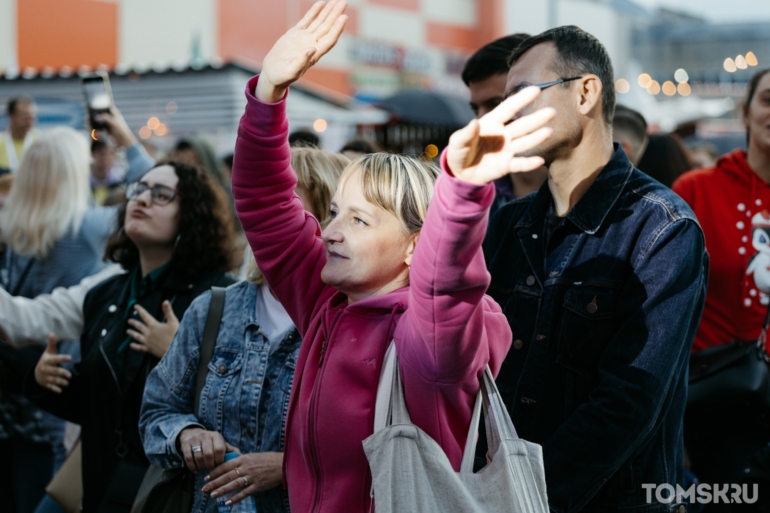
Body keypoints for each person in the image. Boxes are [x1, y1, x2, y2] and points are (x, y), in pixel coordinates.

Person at [230, 2, 553, 511]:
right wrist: (268, 94)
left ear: (414, 245)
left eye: (359, 220)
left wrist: (462, 190)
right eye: (334, 212)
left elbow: (445, 288)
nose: (329, 232)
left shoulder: (428, 345)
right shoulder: (325, 300)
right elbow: (266, 205)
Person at [481, 26, 707, 512]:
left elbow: (628, 402)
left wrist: (524, 498)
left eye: (521, 96)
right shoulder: (508, 223)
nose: (505, 118)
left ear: (585, 92)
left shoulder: (662, 228)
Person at [140, 146, 347, 513]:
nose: (266, 221)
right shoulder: (214, 310)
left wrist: (287, 467)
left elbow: (370, 446)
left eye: (284, 208)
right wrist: (187, 435)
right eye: (260, 209)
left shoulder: (349, 320)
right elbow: (158, 411)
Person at [25, 162, 238, 513]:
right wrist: (45, 379)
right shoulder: (105, 295)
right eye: (138, 189)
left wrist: (176, 354)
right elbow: (100, 407)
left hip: (170, 489)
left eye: (161, 195)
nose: (142, 200)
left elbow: (234, 408)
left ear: (191, 215)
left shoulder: (216, 296)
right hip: (103, 483)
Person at [672, 68, 770, 509]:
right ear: (746, 112)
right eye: (768, 99)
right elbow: (661, 313)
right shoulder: (695, 190)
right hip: (715, 408)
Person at [462, 34, 547, 211]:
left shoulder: (587, 189)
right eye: (475, 109)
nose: (481, 121)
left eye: (495, 104)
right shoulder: (473, 192)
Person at [0, 97, 39, 173]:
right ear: (12, 116)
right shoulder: (1, 141)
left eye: (32, 118)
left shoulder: (41, 141)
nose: (29, 123)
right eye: (25, 118)